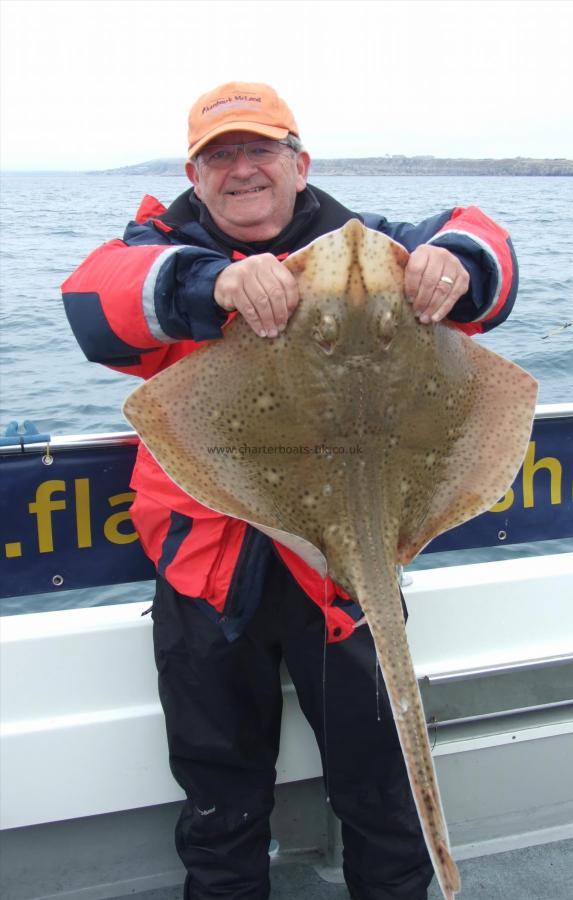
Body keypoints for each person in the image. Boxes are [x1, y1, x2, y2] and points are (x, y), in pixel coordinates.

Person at [62, 81, 518, 900]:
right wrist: (213, 288)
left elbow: (484, 242)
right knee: (220, 798)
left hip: (347, 574)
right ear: (193, 176)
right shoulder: (162, 248)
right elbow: (97, 301)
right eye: (219, 156)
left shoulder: (372, 247)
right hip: (207, 578)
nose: (241, 170)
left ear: (299, 164)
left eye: (260, 150)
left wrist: (460, 265)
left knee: (379, 788)